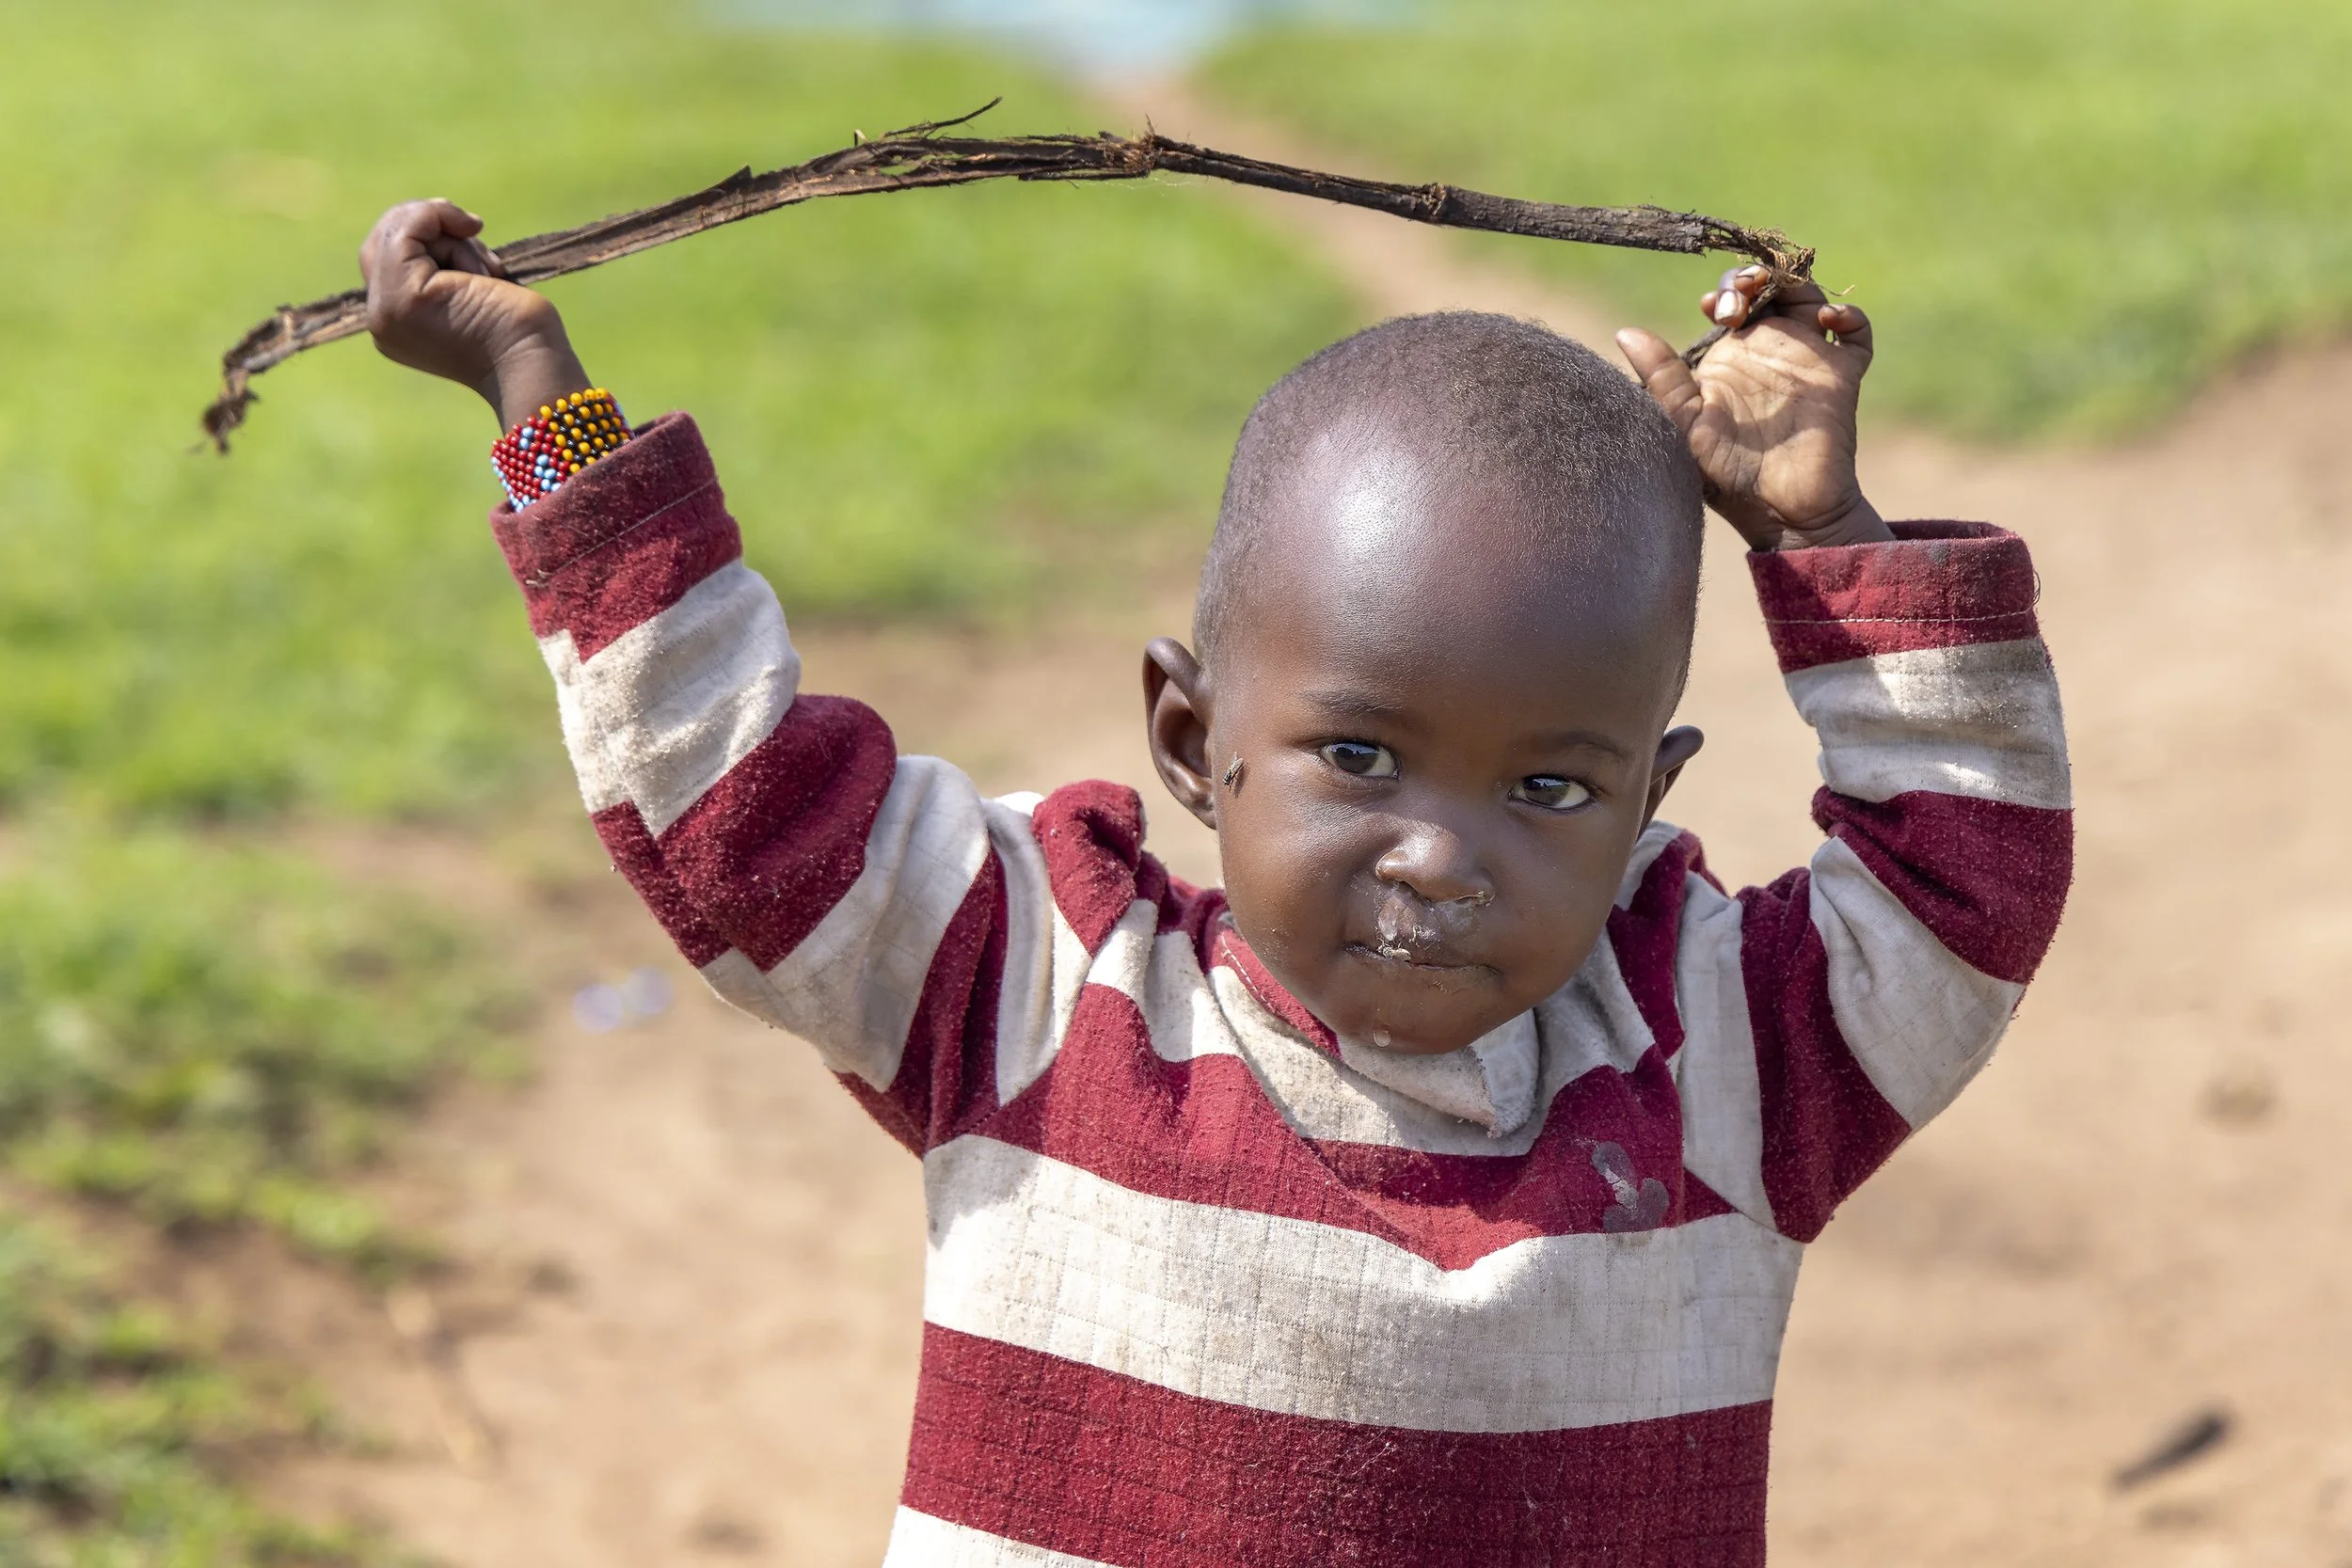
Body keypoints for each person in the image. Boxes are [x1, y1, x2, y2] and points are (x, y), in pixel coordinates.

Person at [358, 198, 2073, 1566]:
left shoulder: (1714, 1060)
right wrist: (546, 410)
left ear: (1647, 805)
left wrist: (1826, 534)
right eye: (1359, 756)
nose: (1438, 853)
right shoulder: (1035, 987)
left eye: (1550, 785)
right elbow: (731, 802)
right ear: (1189, 738)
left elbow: (1958, 895)